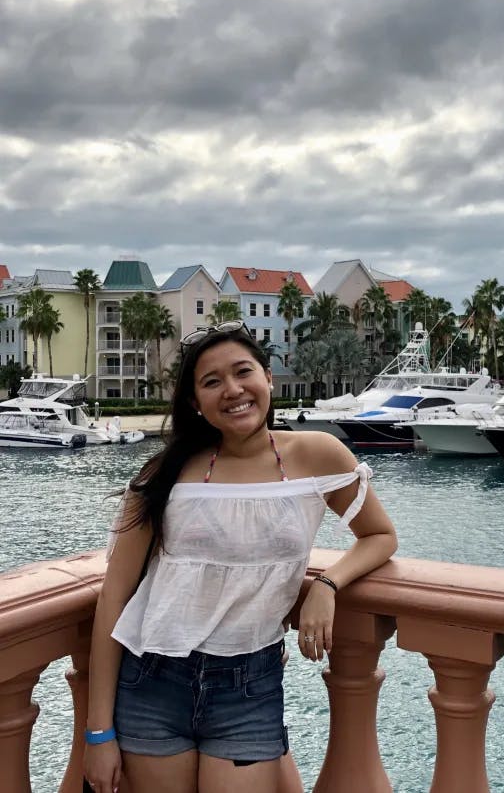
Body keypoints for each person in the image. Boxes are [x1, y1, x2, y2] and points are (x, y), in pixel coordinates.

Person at [83, 320, 397, 793]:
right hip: (153, 680)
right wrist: (98, 733)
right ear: (195, 402)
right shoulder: (166, 473)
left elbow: (379, 536)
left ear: (268, 378)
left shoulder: (318, 455)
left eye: (242, 372)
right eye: (211, 382)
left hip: (248, 685)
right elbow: (114, 599)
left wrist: (328, 586)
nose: (232, 390)